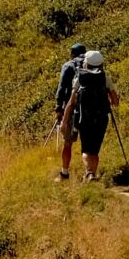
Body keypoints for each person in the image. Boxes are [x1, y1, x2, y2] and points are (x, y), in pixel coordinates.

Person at [63, 50, 120, 181]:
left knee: (86, 149)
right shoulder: (105, 78)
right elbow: (115, 102)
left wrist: (65, 120)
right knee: (94, 149)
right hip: (101, 118)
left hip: (84, 118)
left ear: (87, 63)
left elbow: (71, 102)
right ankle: (92, 176)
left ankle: (89, 173)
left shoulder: (80, 78)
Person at [53, 41, 88, 180]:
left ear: (72, 54)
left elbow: (61, 88)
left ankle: (65, 173)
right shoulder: (91, 65)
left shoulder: (68, 65)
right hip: (89, 108)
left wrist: (59, 109)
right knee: (88, 143)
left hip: (71, 108)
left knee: (68, 142)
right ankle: (90, 172)